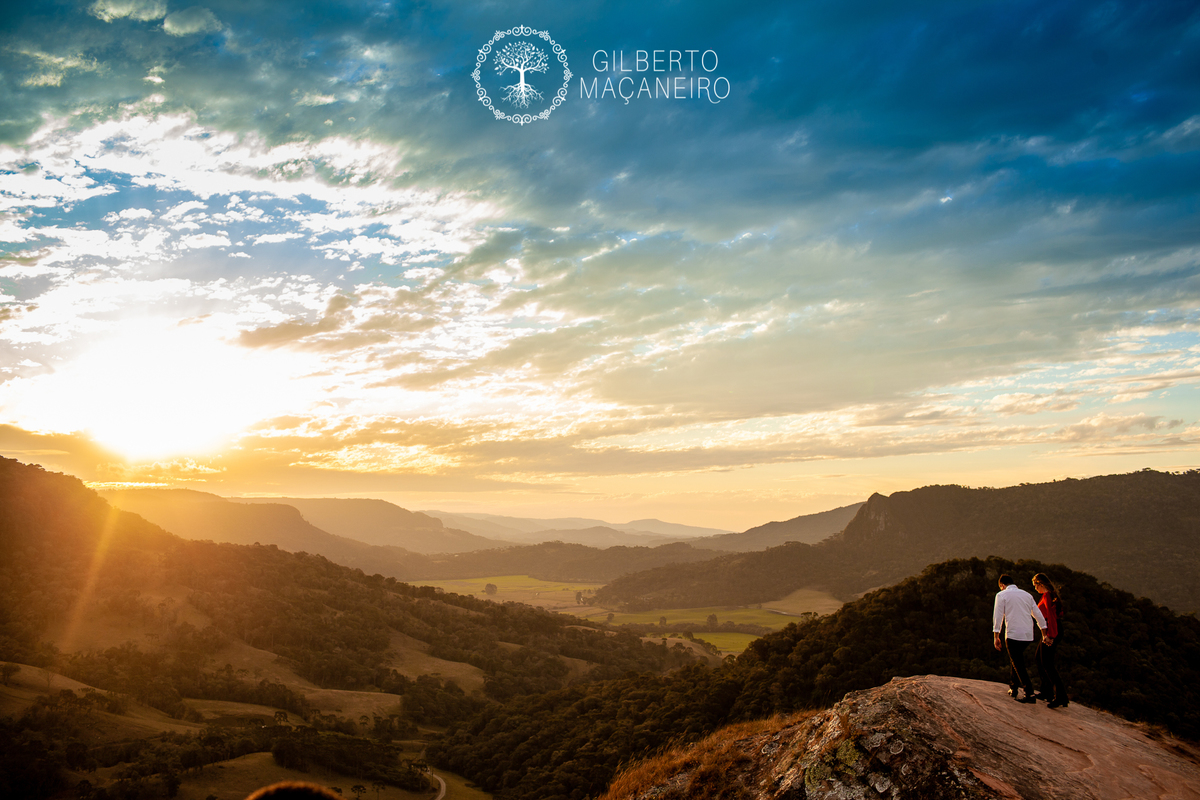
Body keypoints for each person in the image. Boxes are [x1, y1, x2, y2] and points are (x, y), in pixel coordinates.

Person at [992, 573, 1050, 703]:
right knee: (1016, 659)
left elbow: (998, 616)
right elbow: (1038, 615)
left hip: (1013, 634)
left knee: (1018, 663)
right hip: (1027, 635)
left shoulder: (1001, 595)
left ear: (1002, 585)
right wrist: (1044, 633)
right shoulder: (1027, 595)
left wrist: (996, 636)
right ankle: (1013, 687)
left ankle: (1029, 693)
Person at [1032, 572, 1069, 709]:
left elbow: (1052, 618)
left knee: (1047, 663)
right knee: (1039, 658)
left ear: (1040, 584)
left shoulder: (1047, 596)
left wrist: (1049, 636)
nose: (1035, 589)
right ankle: (1046, 691)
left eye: (1036, 586)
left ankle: (1060, 696)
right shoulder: (1052, 595)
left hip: (1052, 630)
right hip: (1053, 629)